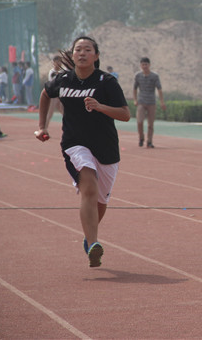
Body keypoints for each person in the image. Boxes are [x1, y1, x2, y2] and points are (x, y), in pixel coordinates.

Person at [34, 36, 130, 268]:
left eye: (88, 49)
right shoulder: (63, 79)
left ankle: (89, 238)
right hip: (75, 144)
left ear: (96, 56)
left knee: (100, 202)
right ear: (73, 54)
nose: (82, 53)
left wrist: (100, 107)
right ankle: (95, 244)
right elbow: (46, 95)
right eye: (78, 49)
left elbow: (125, 114)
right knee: (88, 185)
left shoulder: (106, 82)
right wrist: (42, 127)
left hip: (106, 148)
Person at [133, 57, 166, 149]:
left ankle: (149, 141)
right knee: (139, 121)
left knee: (150, 124)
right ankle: (141, 138)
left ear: (149, 65)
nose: (144, 66)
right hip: (141, 102)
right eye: (143, 65)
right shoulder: (138, 76)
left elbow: (159, 89)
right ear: (141, 65)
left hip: (151, 102)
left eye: (146, 64)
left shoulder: (154, 76)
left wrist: (162, 102)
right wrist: (135, 99)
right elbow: (135, 88)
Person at [45, 56, 65, 128]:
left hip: (62, 94)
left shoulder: (63, 71)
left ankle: (68, 126)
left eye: (60, 61)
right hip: (54, 95)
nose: (58, 63)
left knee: (63, 111)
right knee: (50, 112)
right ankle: (44, 128)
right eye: (56, 62)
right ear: (53, 63)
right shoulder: (52, 72)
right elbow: (53, 83)